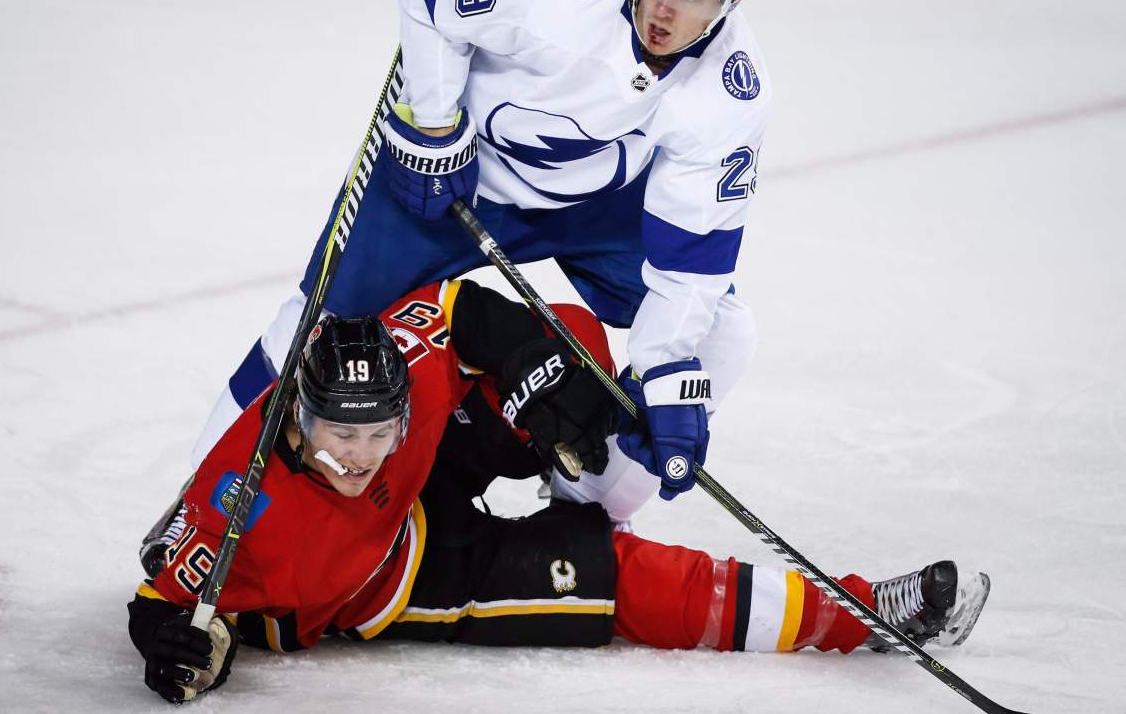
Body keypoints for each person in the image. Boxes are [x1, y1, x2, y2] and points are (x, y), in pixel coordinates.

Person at [192, 0, 773, 519]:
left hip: (592, 205)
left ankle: (587, 517)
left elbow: (692, 254)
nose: (661, 7)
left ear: (732, 0)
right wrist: (435, 125)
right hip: (457, 176)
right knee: (312, 327)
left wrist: (663, 368)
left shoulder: (730, 92)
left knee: (720, 335)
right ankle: (192, 513)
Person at [129, 279, 992, 704]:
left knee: (565, 352)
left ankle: (586, 471)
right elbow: (160, 598)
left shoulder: (405, 366)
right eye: (339, 437)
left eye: (375, 432)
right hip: (391, 577)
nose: (357, 456)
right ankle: (860, 609)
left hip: (426, 480)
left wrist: (532, 370)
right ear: (295, 423)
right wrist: (189, 647)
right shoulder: (238, 509)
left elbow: (458, 309)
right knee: (616, 577)